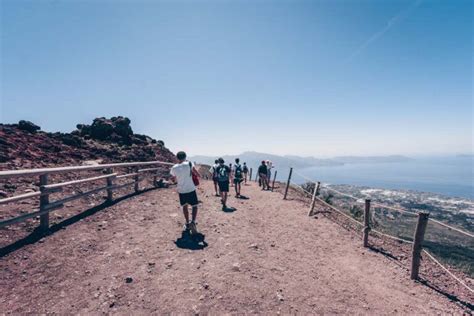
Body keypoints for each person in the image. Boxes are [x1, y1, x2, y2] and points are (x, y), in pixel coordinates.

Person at [170, 151, 200, 234]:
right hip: (191, 188)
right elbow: (197, 173)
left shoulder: (174, 167)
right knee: (194, 206)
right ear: (185, 157)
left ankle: (187, 223)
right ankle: (193, 222)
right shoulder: (189, 164)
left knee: (184, 206)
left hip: (181, 190)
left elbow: (173, 179)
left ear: (177, 158)